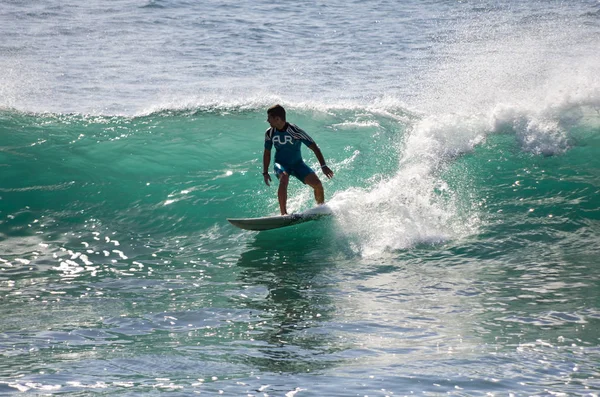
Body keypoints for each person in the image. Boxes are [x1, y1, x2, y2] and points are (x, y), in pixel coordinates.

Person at [262, 104, 334, 215]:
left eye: (269, 118)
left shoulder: (295, 131)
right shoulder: (269, 133)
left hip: (297, 164)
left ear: (277, 119)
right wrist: (265, 172)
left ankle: (320, 209)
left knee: (317, 184)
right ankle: (283, 214)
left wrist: (323, 166)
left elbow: (314, 147)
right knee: (284, 177)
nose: (267, 120)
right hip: (280, 164)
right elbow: (267, 153)